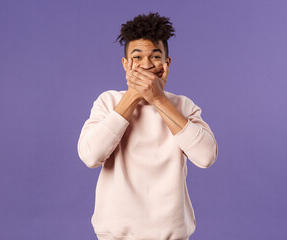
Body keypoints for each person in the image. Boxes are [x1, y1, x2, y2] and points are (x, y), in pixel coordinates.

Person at [76, 12, 218, 240]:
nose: (146, 65)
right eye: (137, 57)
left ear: (166, 63)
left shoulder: (183, 105)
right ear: (125, 64)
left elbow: (206, 156)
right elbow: (91, 156)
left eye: (154, 57)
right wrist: (133, 96)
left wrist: (158, 99)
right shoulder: (108, 102)